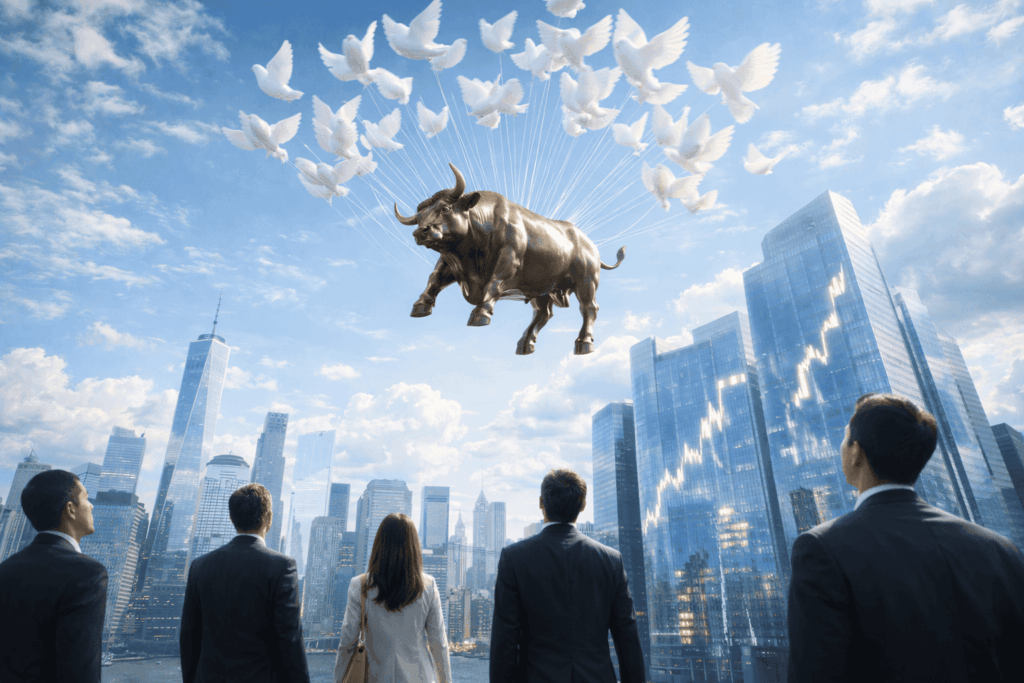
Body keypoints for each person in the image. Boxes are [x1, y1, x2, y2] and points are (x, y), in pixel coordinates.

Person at [788, 393, 1024, 682]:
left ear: (855, 452)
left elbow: (816, 672)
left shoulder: (822, 548)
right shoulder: (1001, 548)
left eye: (845, 438)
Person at [490, 468, 646, 683]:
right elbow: (627, 636)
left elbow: (504, 640)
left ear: (541, 503)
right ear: (582, 505)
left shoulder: (514, 558)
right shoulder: (611, 560)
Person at [180, 482, 310, 683]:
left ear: (232, 517)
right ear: (269, 518)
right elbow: (289, 642)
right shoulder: (282, 567)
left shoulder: (199, 566)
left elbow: (189, 636)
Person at [0, 469, 107, 683]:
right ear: (71, 509)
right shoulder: (87, 573)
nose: (91, 505)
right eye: (85, 498)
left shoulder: (5, 569)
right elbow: (80, 669)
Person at [333, 513, 451, 683]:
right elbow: (439, 644)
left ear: (379, 545)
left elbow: (347, 643)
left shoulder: (360, 585)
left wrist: (338, 680)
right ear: (414, 546)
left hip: (374, 677)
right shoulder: (428, 586)